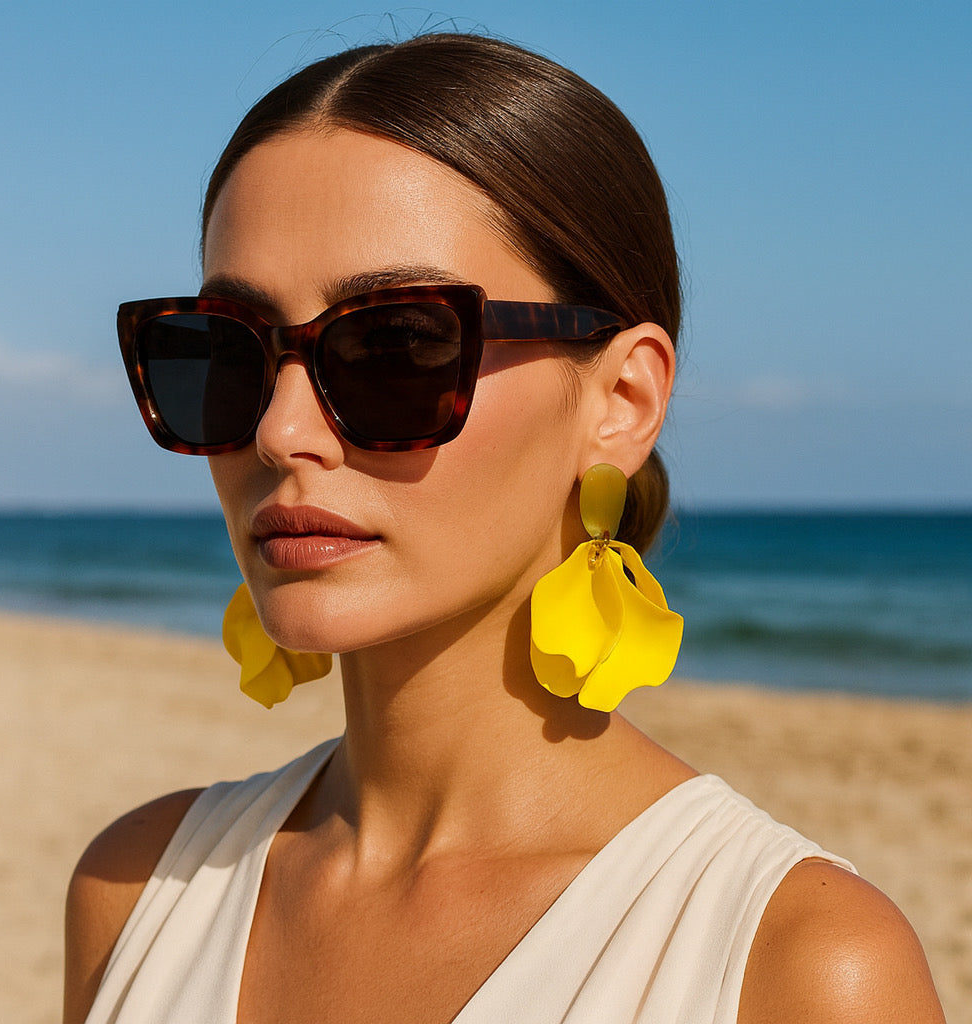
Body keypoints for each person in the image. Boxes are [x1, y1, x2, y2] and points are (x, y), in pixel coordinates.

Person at [65, 32, 945, 1023]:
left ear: (619, 397)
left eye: (395, 343)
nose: (278, 429)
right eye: (230, 353)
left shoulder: (795, 967)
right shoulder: (135, 890)